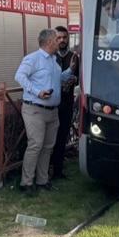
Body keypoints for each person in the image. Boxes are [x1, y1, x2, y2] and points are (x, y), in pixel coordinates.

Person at [15, 28, 76, 194]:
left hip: (52, 111)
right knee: (35, 145)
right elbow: (20, 76)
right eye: (57, 39)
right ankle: (26, 183)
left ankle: (42, 180)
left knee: (47, 146)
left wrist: (70, 71)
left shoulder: (53, 60)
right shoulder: (33, 58)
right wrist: (37, 92)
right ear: (50, 41)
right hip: (35, 109)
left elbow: (57, 78)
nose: (60, 42)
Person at [50, 26, 79, 180]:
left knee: (62, 138)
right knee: (49, 139)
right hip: (51, 104)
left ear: (68, 39)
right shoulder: (50, 57)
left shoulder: (74, 57)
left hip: (66, 104)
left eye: (64, 38)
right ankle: (45, 171)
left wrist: (75, 80)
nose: (61, 40)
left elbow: (79, 79)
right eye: (58, 38)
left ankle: (58, 171)